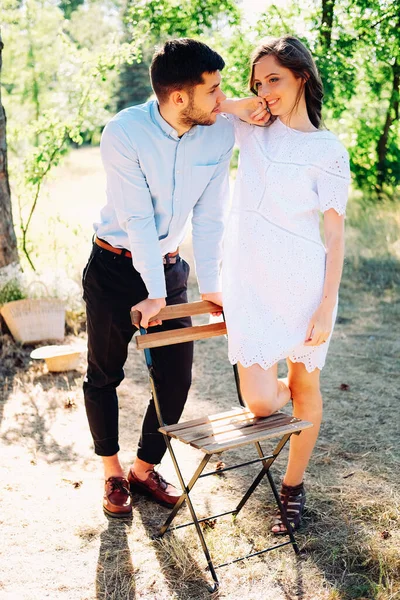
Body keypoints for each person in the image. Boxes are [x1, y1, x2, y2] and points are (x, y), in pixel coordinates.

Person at [82, 38, 234, 518]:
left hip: (168, 269)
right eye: (213, 89)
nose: (222, 98)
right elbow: (138, 222)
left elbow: (211, 217)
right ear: (178, 98)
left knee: (176, 378)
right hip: (112, 266)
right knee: (104, 375)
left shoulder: (217, 131)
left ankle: (144, 469)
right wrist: (150, 293)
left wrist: (211, 287)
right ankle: (111, 472)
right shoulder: (123, 132)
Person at [220, 36, 351, 534]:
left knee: (304, 385)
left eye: (274, 79)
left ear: (302, 77)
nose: (265, 90)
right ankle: (286, 401)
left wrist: (326, 305)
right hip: (249, 283)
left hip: (303, 284)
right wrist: (247, 104)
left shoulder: (328, 150)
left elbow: (334, 235)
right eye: (258, 82)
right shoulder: (251, 130)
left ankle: (293, 488)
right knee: (258, 400)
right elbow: (206, 111)